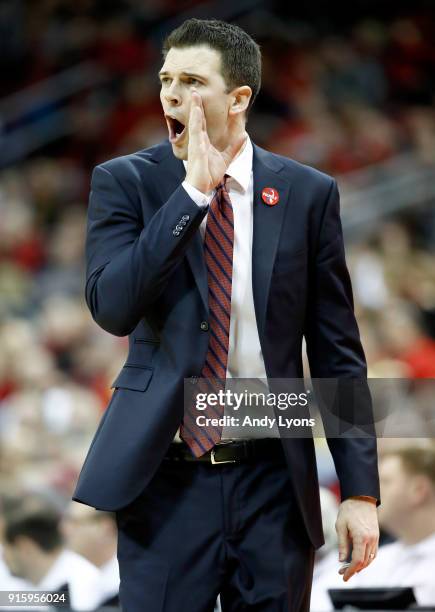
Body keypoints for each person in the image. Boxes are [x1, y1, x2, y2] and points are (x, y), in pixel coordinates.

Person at [73, 18, 380, 612]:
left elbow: (339, 350)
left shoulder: (307, 193)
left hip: (274, 471)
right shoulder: (125, 182)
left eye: (192, 81)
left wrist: (360, 491)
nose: (170, 94)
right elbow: (112, 308)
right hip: (166, 474)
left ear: (239, 98)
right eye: (165, 79)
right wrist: (190, 196)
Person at [310, 445, 435, 610]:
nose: (374, 492)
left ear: (419, 490)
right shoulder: (379, 559)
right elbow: (319, 599)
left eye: (384, 481)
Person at [2, 500, 103, 611]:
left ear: (26, 548)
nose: (3, 556)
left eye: (6, 548)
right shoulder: (34, 583)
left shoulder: (81, 586)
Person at [62, 502, 120, 606]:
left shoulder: (131, 583)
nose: (64, 530)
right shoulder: (85, 580)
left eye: (74, 522)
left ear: (106, 528)